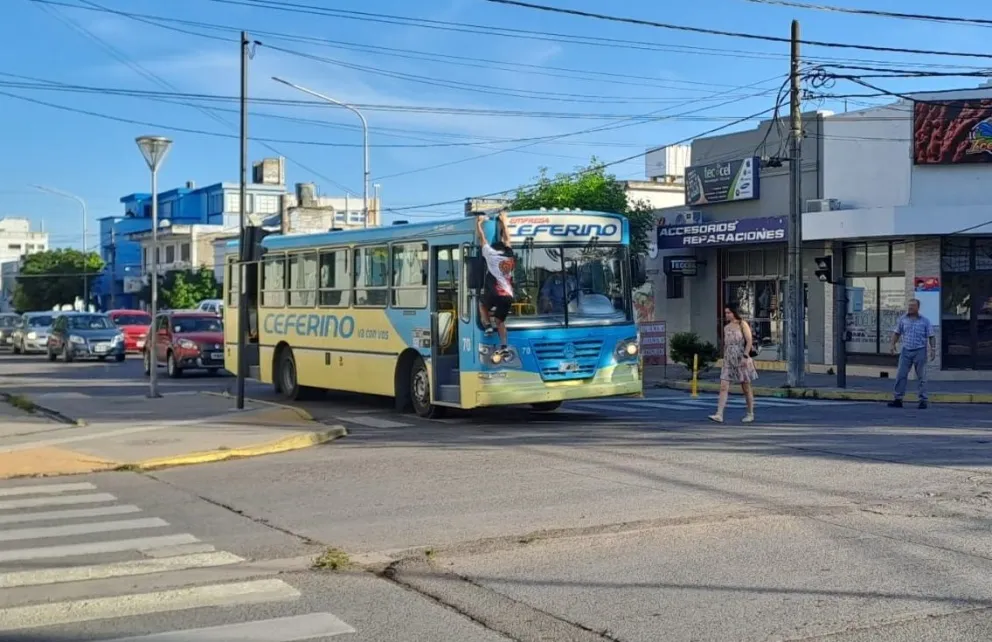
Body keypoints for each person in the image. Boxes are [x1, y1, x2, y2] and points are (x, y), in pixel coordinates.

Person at [709, 305, 758, 424]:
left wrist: (745, 356)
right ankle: (719, 414)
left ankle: (750, 413)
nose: (726, 315)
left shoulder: (742, 324)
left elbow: (749, 340)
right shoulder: (726, 328)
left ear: (734, 313)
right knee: (724, 385)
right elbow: (726, 344)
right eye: (725, 313)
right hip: (729, 358)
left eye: (728, 313)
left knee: (745, 387)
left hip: (741, 357)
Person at [476, 209, 515, 357]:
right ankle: (504, 345)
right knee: (500, 321)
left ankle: (486, 326)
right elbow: (508, 239)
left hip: (495, 292)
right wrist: (504, 221)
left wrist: (479, 223)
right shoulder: (509, 256)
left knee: (482, 304)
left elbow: (482, 239)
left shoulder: (491, 255)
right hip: (508, 295)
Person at [888, 297, 935, 409]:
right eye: (909, 306)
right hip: (906, 350)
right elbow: (897, 333)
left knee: (922, 377)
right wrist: (892, 344)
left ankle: (923, 400)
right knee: (901, 375)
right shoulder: (902, 319)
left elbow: (931, 336)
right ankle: (898, 399)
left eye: (912, 306)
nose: (910, 308)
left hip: (920, 350)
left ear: (917, 308)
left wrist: (932, 349)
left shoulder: (925, 321)